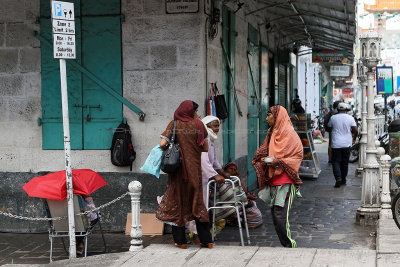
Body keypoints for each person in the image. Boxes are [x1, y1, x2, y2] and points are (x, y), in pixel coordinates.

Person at [156, 100, 213, 249]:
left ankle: (180, 242)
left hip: (178, 172)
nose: (195, 114)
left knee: (178, 203)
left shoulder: (174, 124)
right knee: (197, 203)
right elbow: (205, 147)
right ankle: (207, 240)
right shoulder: (199, 125)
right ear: (190, 111)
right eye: (195, 111)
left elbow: (162, 144)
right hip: (194, 172)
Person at [252, 105, 303, 248]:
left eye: (269, 115)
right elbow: (264, 150)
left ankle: (290, 245)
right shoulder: (271, 132)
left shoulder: (290, 134)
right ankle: (285, 244)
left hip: (286, 180)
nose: (266, 118)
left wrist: (278, 161)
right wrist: (263, 159)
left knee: (280, 214)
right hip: (274, 178)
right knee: (275, 214)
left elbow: (297, 155)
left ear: (277, 117)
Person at [327, 102, 358, 188]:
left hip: (336, 143)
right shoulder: (350, 118)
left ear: (337, 109)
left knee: (336, 161)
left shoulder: (333, 118)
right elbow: (355, 130)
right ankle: (343, 180)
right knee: (345, 163)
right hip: (347, 143)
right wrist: (354, 138)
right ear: (345, 110)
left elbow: (329, 127)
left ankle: (338, 178)